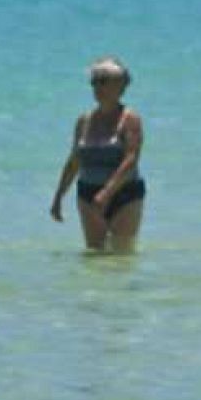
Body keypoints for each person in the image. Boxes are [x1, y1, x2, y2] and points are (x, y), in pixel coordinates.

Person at [50, 57, 146, 253]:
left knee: (122, 253)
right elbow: (74, 161)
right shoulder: (84, 121)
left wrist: (107, 192)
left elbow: (131, 159)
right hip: (88, 193)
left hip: (125, 194)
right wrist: (58, 197)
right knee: (94, 254)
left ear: (120, 86)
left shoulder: (130, 119)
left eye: (104, 81)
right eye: (94, 81)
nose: (98, 87)